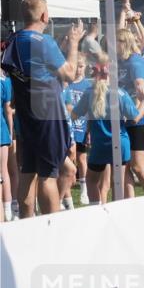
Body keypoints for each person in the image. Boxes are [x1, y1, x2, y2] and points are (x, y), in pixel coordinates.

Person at [0, 0, 82, 216]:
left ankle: (28, 225)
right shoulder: (44, 42)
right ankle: (49, 229)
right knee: (47, 175)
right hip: (48, 114)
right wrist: (74, 43)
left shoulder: (13, 40)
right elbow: (70, 74)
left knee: (28, 172)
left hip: (26, 117)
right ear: (45, 16)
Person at [66, 54, 139, 205]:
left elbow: (74, 114)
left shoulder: (89, 93)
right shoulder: (120, 93)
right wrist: (143, 101)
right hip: (120, 143)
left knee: (92, 181)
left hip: (100, 144)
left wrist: (65, 103)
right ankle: (119, 212)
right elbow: (134, 117)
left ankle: (95, 210)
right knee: (118, 182)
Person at [116, 28, 144, 197]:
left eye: (114, 43)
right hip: (125, 120)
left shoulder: (135, 62)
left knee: (138, 166)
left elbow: (140, 91)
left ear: (123, 43)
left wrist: (134, 115)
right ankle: (129, 203)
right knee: (124, 165)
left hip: (142, 120)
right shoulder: (120, 61)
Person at [63, 57, 91, 206]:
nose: (78, 69)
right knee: (67, 159)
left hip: (82, 126)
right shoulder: (67, 84)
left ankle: (83, 190)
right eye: (76, 66)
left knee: (81, 159)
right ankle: (66, 192)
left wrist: (89, 129)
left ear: (85, 66)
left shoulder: (88, 85)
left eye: (81, 66)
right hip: (68, 126)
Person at [0, 71, 12, 221]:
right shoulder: (5, 81)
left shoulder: (4, 81)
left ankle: (8, 210)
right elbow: (8, 109)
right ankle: (8, 210)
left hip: (2, 133)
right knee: (4, 171)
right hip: (3, 132)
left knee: (3, 171)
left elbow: (8, 110)